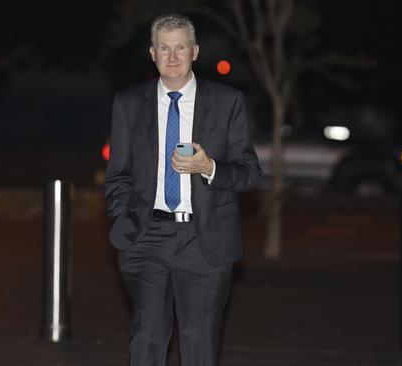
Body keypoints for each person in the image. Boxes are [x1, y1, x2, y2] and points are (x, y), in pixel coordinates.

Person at [104, 13, 261, 366]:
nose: (172, 57)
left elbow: (250, 174)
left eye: (179, 48)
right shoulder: (129, 103)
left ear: (194, 52)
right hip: (146, 235)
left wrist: (210, 168)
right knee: (146, 336)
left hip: (203, 238)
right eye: (164, 48)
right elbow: (118, 175)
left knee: (198, 340)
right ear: (152, 53)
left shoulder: (227, 102)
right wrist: (122, 218)